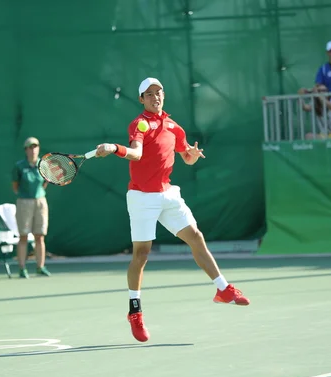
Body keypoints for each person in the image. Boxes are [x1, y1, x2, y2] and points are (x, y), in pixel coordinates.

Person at [94, 77, 250, 343]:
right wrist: (113, 148)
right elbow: (136, 154)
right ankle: (135, 311)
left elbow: (185, 156)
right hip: (142, 197)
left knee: (196, 237)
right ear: (141, 99)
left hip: (167, 194)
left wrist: (190, 156)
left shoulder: (174, 127)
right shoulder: (139, 123)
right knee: (141, 254)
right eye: (150, 94)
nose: (156, 97)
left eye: (159, 92)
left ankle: (223, 289)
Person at [11, 137, 51, 279]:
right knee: (23, 236)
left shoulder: (43, 165)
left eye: (35, 146)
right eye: (30, 147)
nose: (33, 149)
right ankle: (22, 269)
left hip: (40, 202)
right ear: (26, 150)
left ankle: (40, 267)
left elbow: (45, 183)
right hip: (24, 202)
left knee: (39, 236)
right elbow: (15, 186)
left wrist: (38, 194)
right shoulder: (19, 166)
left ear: (38, 148)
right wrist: (26, 196)